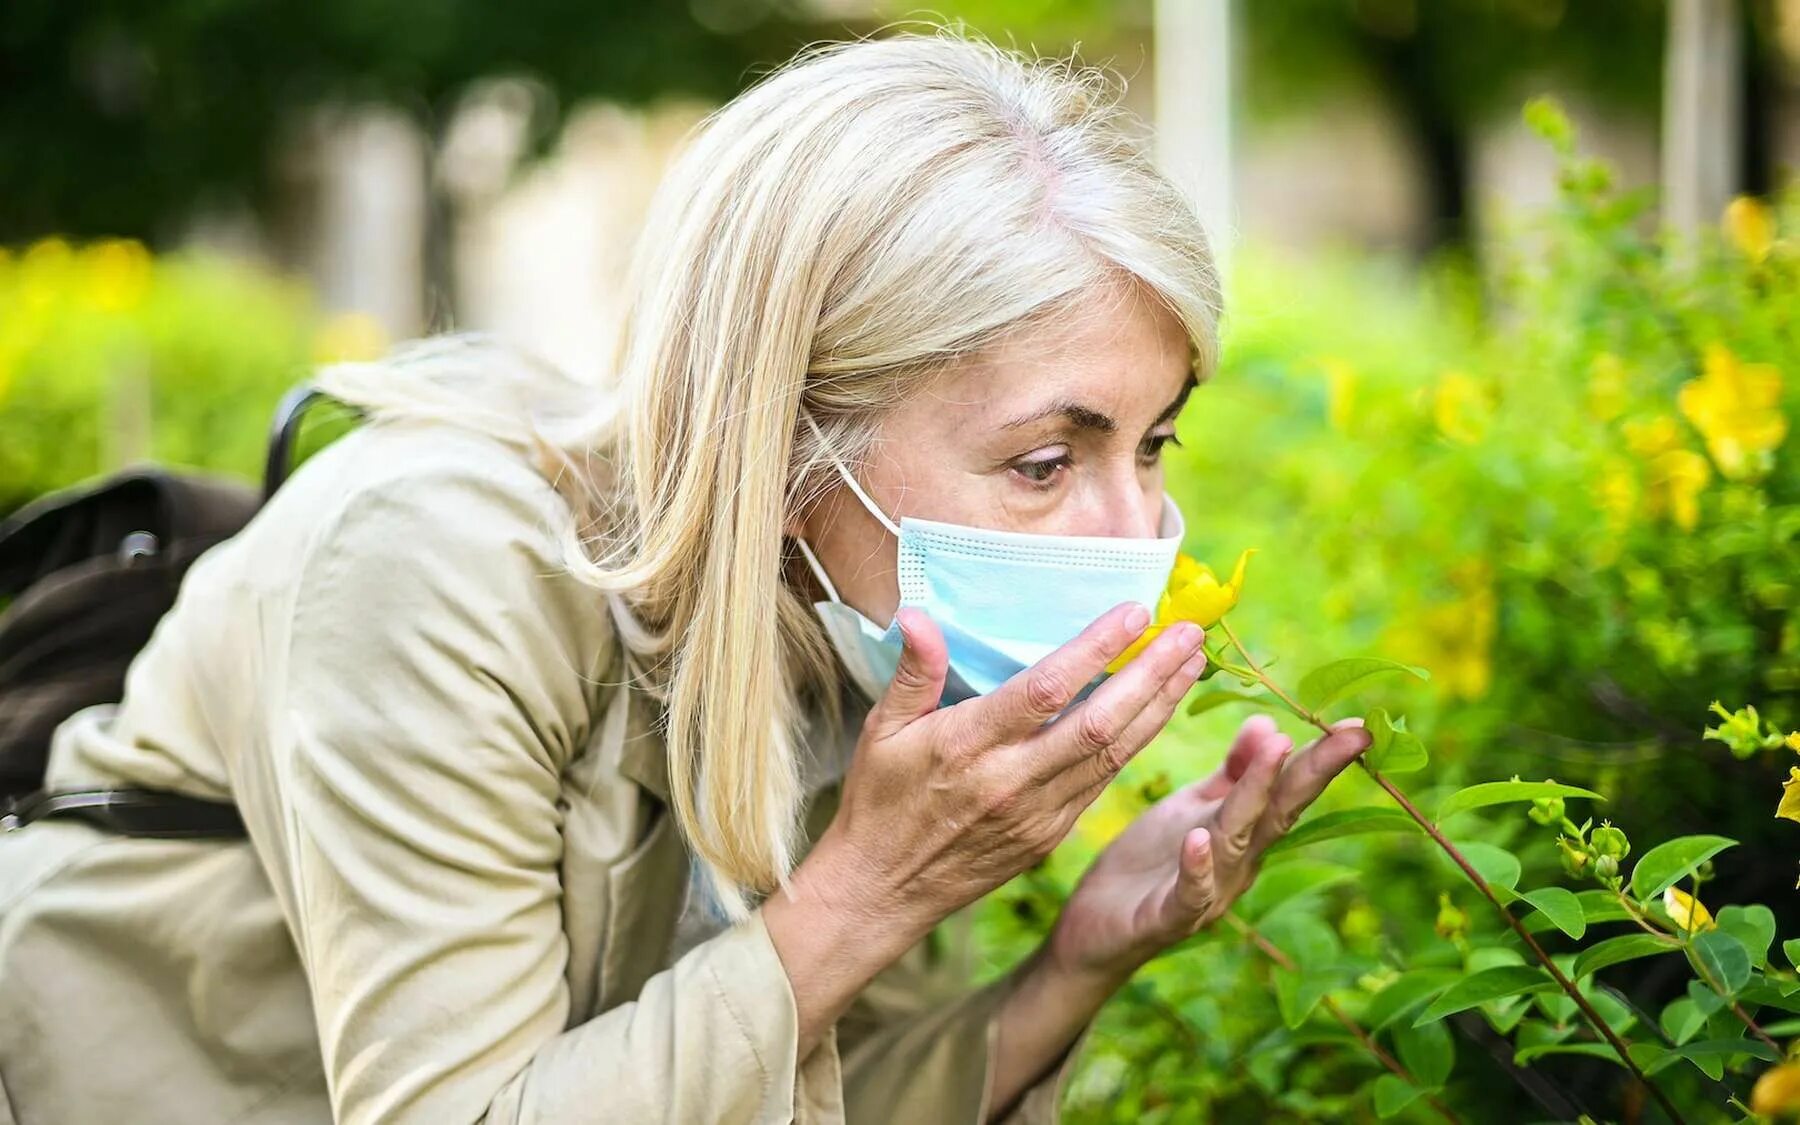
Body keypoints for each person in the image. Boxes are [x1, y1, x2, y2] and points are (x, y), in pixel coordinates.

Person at [0, 27, 1372, 1125]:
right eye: (1042, 462)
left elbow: (780, 1079)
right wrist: (875, 888)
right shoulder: (430, 566)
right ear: (787, 436)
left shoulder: (859, 632)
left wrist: (1078, 955)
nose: (1137, 533)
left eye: (1154, 444)